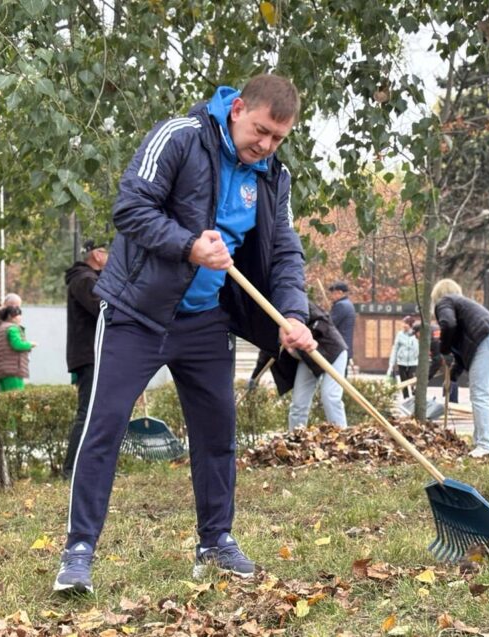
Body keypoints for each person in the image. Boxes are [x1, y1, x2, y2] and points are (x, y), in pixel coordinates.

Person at [55, 74, 316, 594]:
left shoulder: (273, 176)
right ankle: (78, 551)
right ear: (238, 109)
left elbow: (285, 250)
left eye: (278, 138)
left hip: (206, 321)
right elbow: (131, 208)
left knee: (217, 434)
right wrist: (189, 246)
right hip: (137, 313)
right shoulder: (179, 136)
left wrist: (294, 313)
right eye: (261, 130)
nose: (266, 145)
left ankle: (215, 543)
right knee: (103, 427)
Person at [432, 279, 489, 458]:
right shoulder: (464, 307)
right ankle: (479, 442)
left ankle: (485, 447)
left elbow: (448, 324)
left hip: (488, 341)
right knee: (482, 393)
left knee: (481, 395)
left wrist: (444, 350)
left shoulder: (445, 301)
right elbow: (464, 350)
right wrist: (453, 376)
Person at [250, 300, 347, 431]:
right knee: (298, 404)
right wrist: (255, 377)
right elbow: (266, 351)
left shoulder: (296, 301)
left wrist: (306, 334)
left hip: (331, 351)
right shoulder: (268, 319)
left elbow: (322, 320)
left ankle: (341, 435)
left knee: (330, 397)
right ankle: (295, 437)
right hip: (308, 359)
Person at [61, 240, 109, 480]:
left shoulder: (89, 278)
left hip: (95, 354)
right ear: (97, 255)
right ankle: (71, 469)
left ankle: (91, 468)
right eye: (108, 252)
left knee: (98, 413)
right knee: (88, 413)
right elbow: (104, 309)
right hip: (90, 355)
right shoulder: (85, 280)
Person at [0, 306, 35, 391]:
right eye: (19, 315)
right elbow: (17, 345)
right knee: (17, 395)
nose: (20, 317)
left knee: (5, 396)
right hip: (12, 370)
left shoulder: (1, 328)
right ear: (11, 316)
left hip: (1, 370)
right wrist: (30, 344)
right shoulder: (12, 328)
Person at [387, 315, 419, 398]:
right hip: (402, 362)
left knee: (412, 380)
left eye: (406, 323)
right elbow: (395, 349)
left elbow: (420, 348)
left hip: (413, 362)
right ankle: (406, 398)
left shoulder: (416, 335)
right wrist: (391, 363)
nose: (404, 325)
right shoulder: (399, 334)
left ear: (410, 325)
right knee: (403, 382)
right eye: (403, 323)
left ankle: (414, 395)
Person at [327, 281, 356, 366]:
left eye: (333, 293)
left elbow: (329, 323)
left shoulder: (341, 306)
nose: (331, 296)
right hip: (345, 347)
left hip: (338, 349)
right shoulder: (348, 304)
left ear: (340, 292)